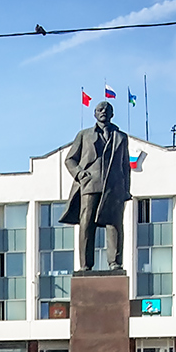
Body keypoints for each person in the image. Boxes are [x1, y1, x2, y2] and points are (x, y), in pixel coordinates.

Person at [60, 101, 132, 270]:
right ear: (94, 113)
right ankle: (85, 265)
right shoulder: (84, 135)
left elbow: (125, 166)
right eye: (100, 109)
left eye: (107, 110)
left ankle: (114, 262)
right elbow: (70, 159)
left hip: (113, 187)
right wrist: (79, 174)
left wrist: (126, 190)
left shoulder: (121, 137)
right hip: (90, 185)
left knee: (114, 224)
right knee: (86, 223)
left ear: (112, 114)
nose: (103, 112)